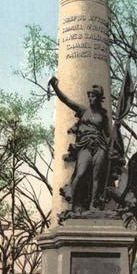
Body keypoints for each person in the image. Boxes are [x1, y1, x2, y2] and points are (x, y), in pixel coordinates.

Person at [48, 77, 110, 210]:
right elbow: (66, 100)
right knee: (81, 173)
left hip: (99, 145)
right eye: (90, 96)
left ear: (99, 98)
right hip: (85, 144)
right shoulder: (83, 110)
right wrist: (55, 87)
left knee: (96, 177)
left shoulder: (103, 115)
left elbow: (108, 134)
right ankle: (74, 203)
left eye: (93, 96)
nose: (90, 98)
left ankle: (94, 205)